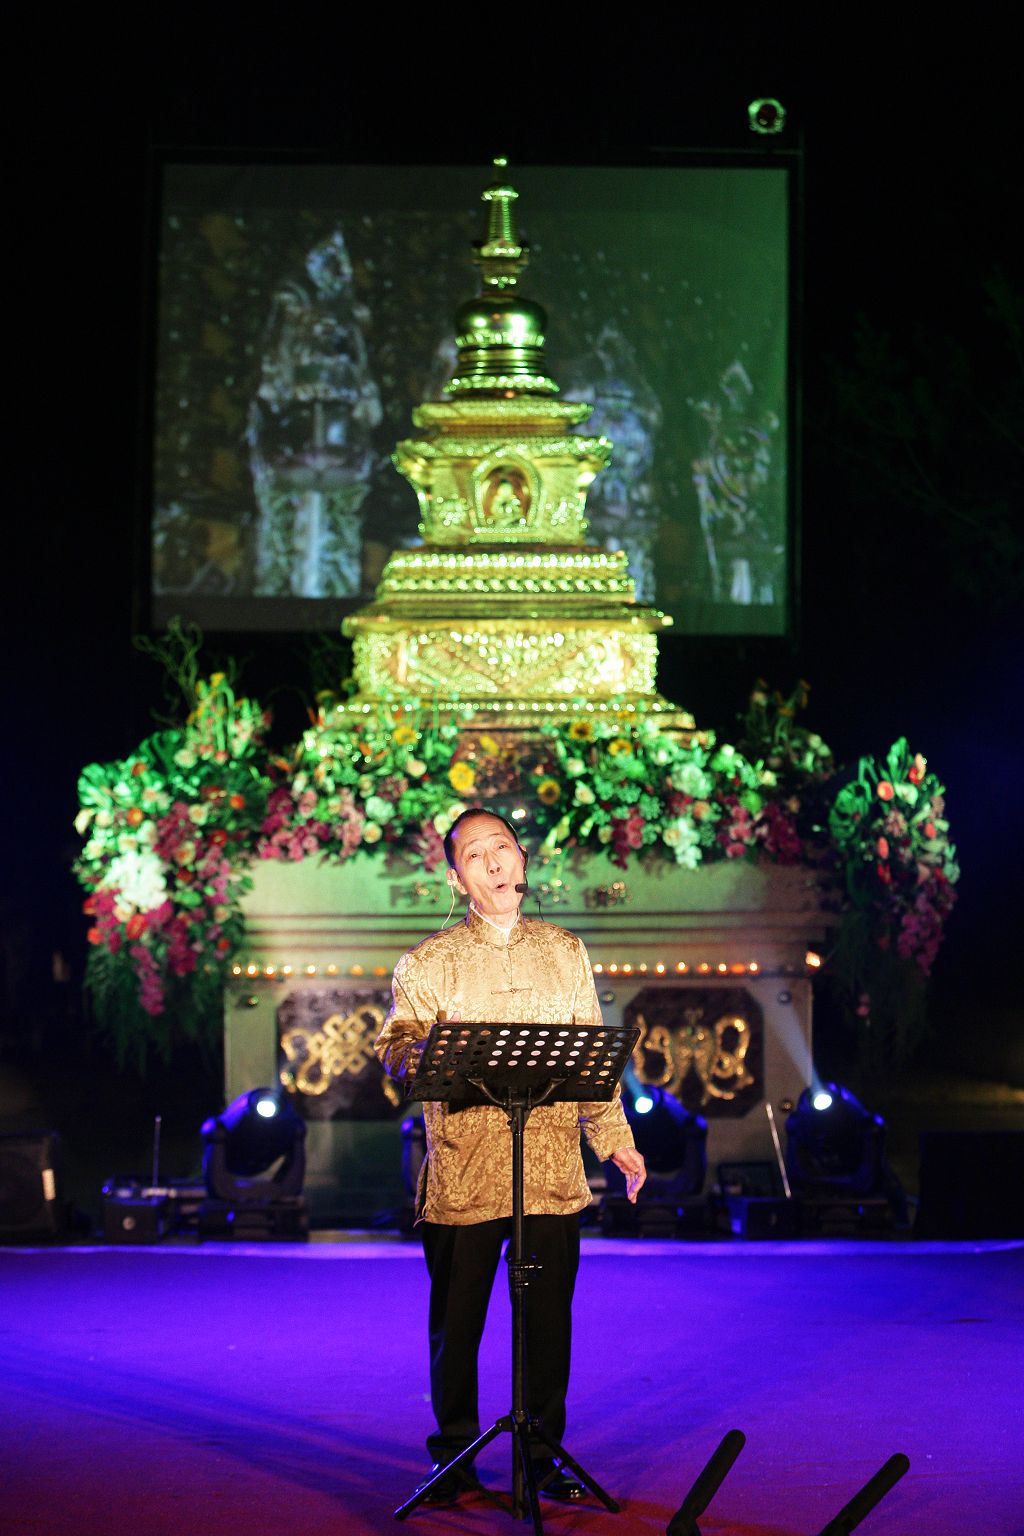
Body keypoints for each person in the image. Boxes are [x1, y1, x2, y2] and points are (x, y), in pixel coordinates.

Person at [375, 807, 646, 1505]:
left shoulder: (565, 951)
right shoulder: (428, 962)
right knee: (457, 1327)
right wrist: (431, 1052)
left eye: (503, 848)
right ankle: (454, 1458)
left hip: (550, 1170)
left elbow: (591, 1055)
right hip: (465, 1172)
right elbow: (396, 1048)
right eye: (475, 855)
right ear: (456, 878)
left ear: (523, 860)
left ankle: (541, 1460)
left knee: (547, 1324)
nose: (494, 863)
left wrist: (615, 1139)